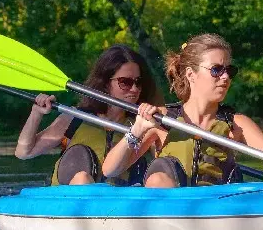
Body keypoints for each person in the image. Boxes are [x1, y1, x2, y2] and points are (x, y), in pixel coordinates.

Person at [101, 33, 263, 187]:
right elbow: (110, 170)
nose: (225, 77)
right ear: (191, 75)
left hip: (218, 211)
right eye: (216, 70)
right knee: (159, 177)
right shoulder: (161, 118)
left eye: (229, 70)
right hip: (170, 211)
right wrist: (136, 131)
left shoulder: (236, 123)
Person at [14, 45, 161, 186]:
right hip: (73, 200)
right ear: (105, 83)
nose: (134, 89)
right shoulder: (73, 118)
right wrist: (36, 114)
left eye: (138, 82)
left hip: (118, 204)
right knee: (82, 179)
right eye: (125, 82)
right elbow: (24, 152)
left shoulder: (145, 125)